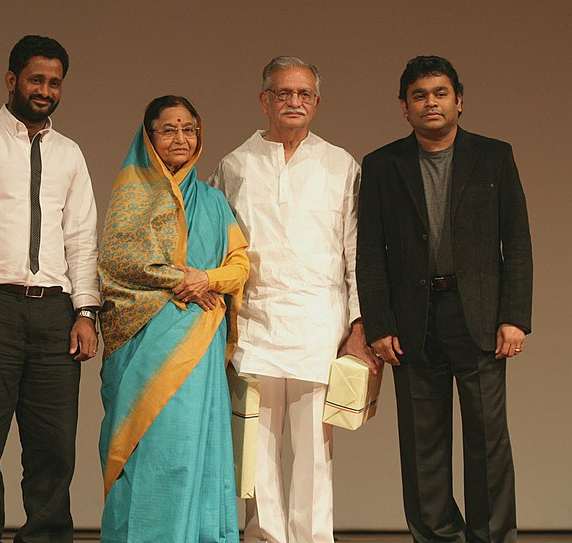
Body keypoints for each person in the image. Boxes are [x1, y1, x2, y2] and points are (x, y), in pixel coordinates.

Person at [356, 55, 532, 543]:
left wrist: (514, 317)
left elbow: (516, 241)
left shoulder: (494, 155)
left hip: (478, 314)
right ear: (403, 106)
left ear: (459, 99)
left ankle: (491, 537)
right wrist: (379, 324)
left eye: (439, 93)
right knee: (421, 443)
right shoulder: (382, 165)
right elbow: (369, 253)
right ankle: (435, 536)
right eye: (418, 95)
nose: (429, 102)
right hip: (412, 320)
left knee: (487, 439)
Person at [0, 35, 99, 543]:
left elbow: (81, 236)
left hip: (55, 312)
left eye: (54, 83)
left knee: (54, 449)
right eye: (36, 79)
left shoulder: (69, 153)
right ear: (11, 80)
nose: (45, 90)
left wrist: (86, 313)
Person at [209, 56, 379, 543]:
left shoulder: (339, 163)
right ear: (264, 100)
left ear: (317, 103)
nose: (294, 102)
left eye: (303, 94)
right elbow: (221, 245)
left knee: (314, 449)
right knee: (255, 448)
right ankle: (265, 536)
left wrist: (358, 325)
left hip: (319, 324)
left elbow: (354, 248)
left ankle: (311, 538)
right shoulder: (234, 164)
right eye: (283, 93)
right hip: (254, 323)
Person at [98, 95, 250, 542]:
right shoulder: (131, 195)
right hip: (145, 344)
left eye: (189, 129)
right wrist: (178, 281)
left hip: (198, 348)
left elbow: (240, 265)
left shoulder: (214, 201)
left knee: (192, 450)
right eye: (168, 129)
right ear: (149, 137)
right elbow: (118, 262)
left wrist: (207, 278)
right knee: (148, 453)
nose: (180, 138)